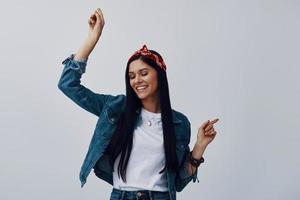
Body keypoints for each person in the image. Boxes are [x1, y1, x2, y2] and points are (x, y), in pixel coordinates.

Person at [57, 8, 219, 200]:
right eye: (131, 76)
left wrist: (200, 147)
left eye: (144, 73)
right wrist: (92, 39)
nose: (137, 80)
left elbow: (177, 183)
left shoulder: (179, 123)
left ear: (159, 75)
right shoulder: (115, 108)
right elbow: (68, 85)